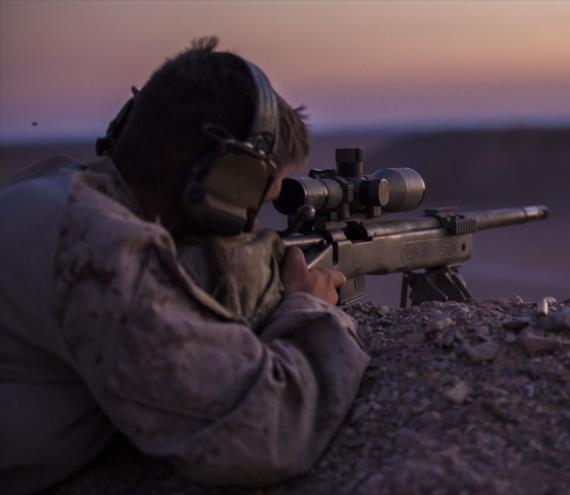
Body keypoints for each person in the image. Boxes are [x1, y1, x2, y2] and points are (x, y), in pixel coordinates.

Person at [0, 37, 369, 494]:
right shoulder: (101, 250)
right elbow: (268, 430)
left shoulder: (52, 193)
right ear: (224, 180)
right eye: (258, 201)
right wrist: (310, 309)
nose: (251, 228)